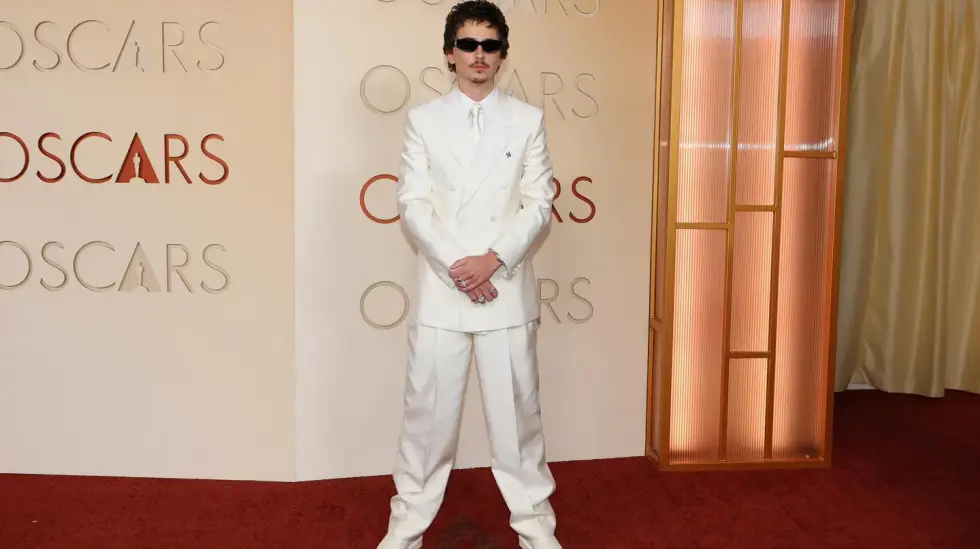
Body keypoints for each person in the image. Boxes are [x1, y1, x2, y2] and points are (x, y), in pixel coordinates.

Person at [376, 2, 561, 549]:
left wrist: (492, 261)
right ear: (449, 53)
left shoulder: (528, 120)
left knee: (517, 423)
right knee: (426, 422)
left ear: (503, 54)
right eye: (468, 44)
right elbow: (413, 205)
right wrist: (461, 268)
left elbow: (538, 204)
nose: (478, 55)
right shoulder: (423, 120)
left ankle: (536, 529)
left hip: (504, 288)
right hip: (443, 291)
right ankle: (407, 527)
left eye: (489, 45)